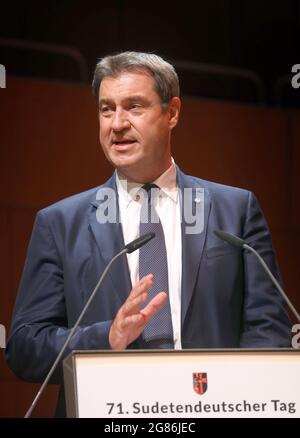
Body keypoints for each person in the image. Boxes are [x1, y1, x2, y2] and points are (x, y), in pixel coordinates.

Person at [6, 51, 291, 416]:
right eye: (106, 109)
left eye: (134, 107)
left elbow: (267, 332)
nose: (117, 123)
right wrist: (106, 337)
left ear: (171, 112)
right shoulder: (61, 223)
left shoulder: (235, 210)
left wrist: (233, 403)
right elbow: (25, 348)